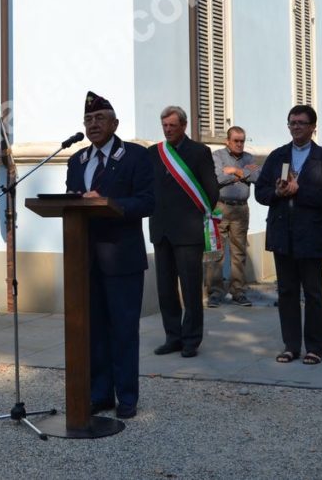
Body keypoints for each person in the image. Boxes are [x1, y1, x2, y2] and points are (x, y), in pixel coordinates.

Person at [64, 91, 154, 419]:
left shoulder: (134, 157)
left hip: (122, 257)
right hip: (84, 258)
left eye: (99, 118)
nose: (93, 124)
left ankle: (126, 397)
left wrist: (109, 203)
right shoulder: (77, 160)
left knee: (123, 329)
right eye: (88, 119)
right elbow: (72, 202)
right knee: (93, 330)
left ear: (115, 123)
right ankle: (99, 394)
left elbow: (147, 201)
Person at [255, 105, 322, 366]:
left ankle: (315, 347)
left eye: (301, 123)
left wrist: (298, 191)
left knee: (313, 294)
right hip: (284, 234)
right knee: (286, 292)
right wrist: (278, 193)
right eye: (292, 123)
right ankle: (291, 345)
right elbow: (260, 192)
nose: (296, 127)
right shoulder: (278, 156)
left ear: (313, 127)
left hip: (313, 236)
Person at [148, 106, 219, 358]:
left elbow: (211, 190)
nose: (168, 130)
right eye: (165, 125)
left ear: (184, 126)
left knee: (190, 289)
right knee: (165, 290)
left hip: (188, 232)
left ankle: (191, 340)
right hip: (161, 231)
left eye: (172, 126)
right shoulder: (154, 153)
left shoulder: (199, 152)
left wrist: (196, 216)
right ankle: (173, 337)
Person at [207, 126, 260, 308]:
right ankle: (215, 292)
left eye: (242, 141)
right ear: (227, 141)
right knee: (215, 252)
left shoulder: (249, 157)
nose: (239, 144)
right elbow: (217, 178)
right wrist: (243, 173)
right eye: (236, 140)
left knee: (239, 253)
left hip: (241, 210)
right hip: (219, 208)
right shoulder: (218, 156)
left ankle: (238, 291)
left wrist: (234, 171)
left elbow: (257, 177)